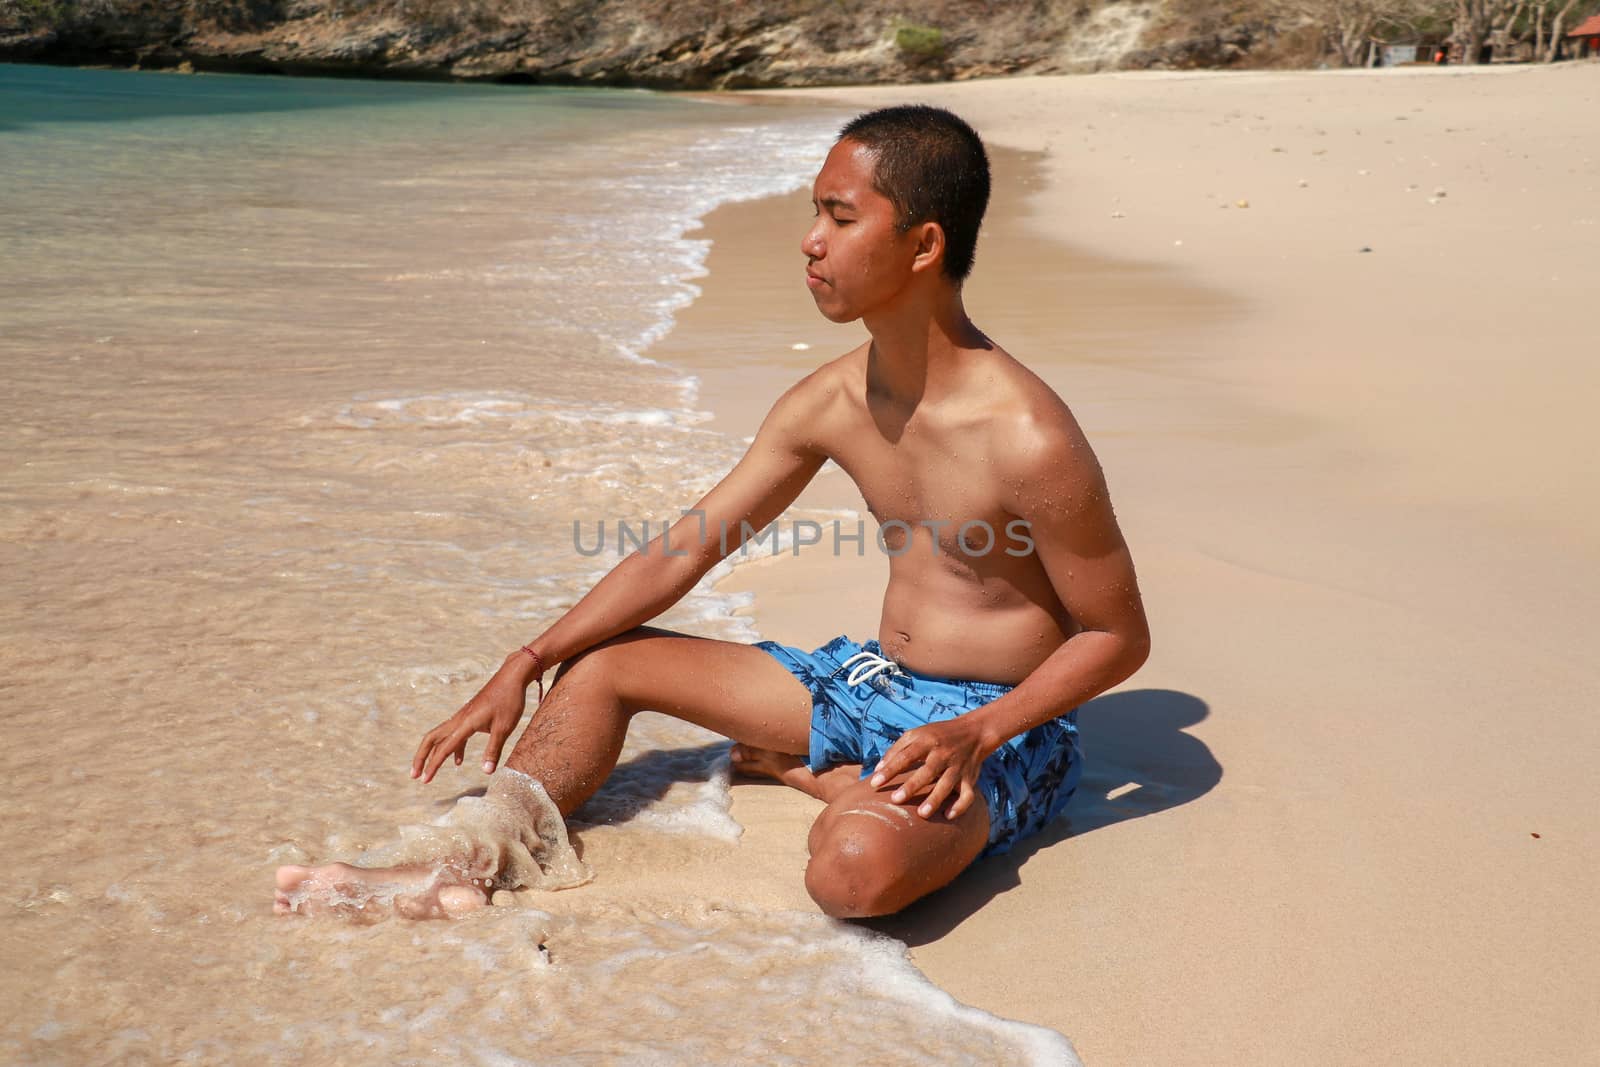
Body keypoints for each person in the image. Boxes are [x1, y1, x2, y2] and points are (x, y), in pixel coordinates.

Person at [275, 105, 1151, 921]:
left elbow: (1117, 635)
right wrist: (531, 655)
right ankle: (462, 861)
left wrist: (979, 730)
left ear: (923, 245)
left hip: (994, 722)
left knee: (851, 875)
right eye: (816, 213)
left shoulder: (1028, 435)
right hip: (868, 680)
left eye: (841, 219)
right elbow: (683, 551)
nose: (811, 243)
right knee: (605, 665)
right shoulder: (832, 399)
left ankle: (830, 782)